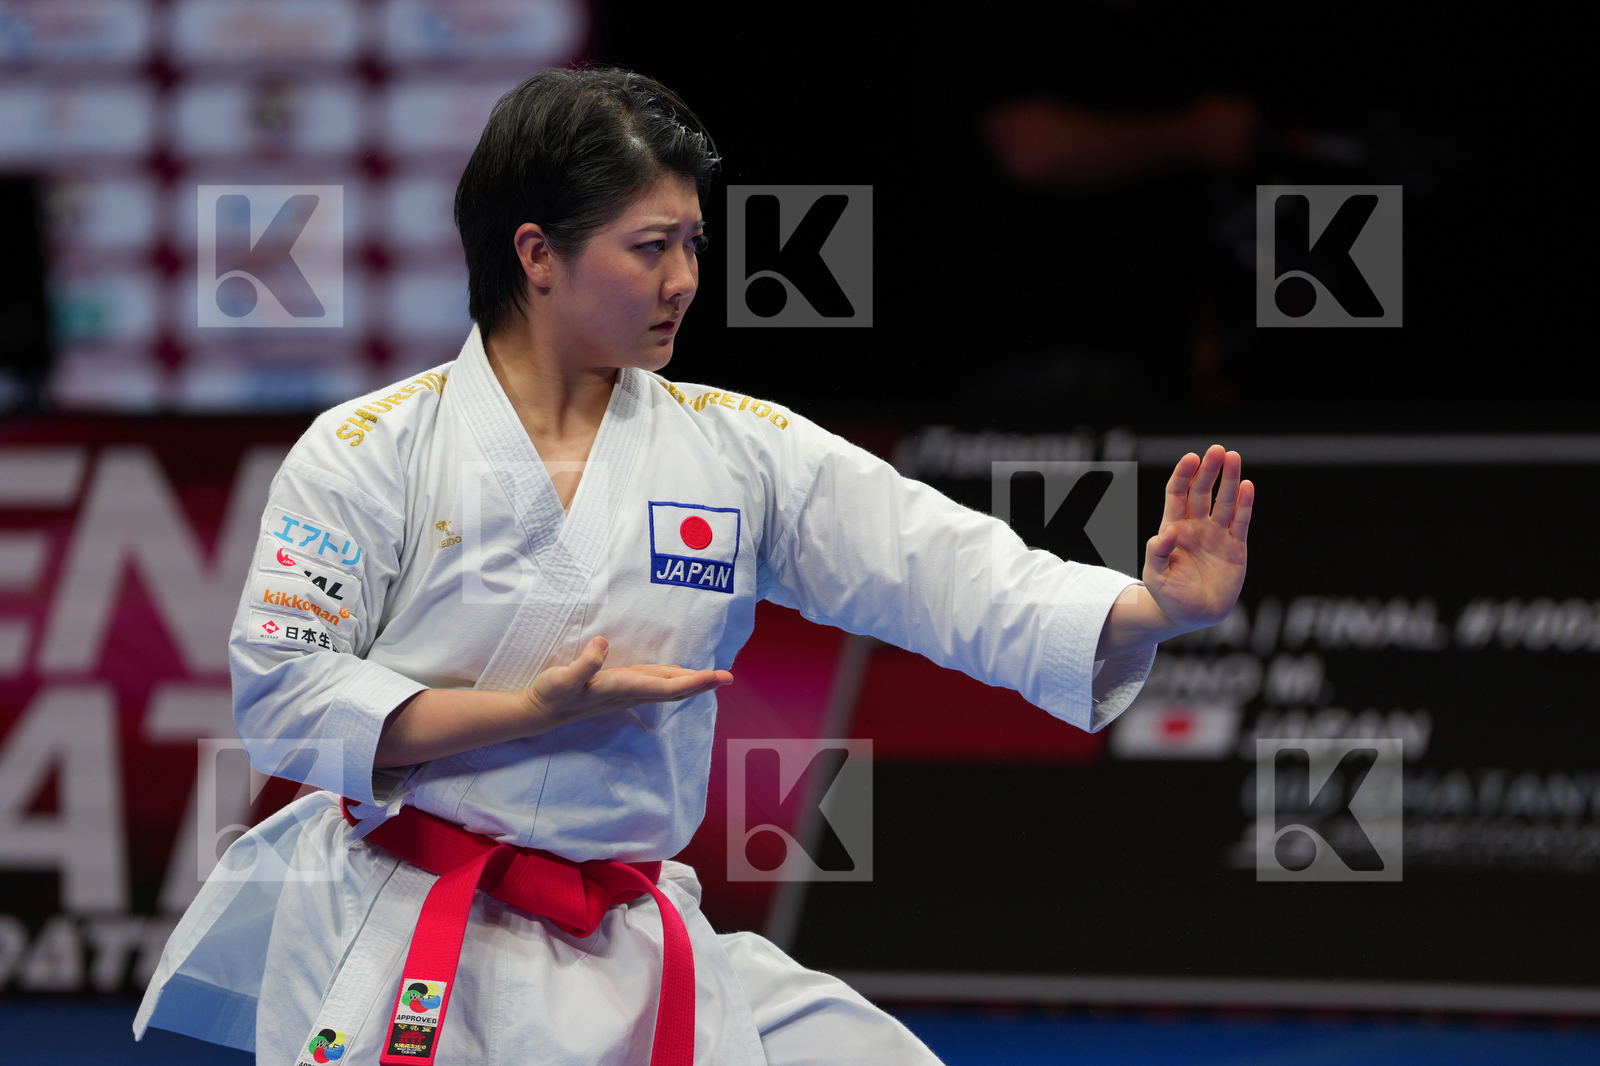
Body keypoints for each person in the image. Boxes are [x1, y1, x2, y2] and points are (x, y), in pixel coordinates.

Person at [135, 66, 1253, 1065]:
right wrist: (522, 712)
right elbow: (285, 698)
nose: (682, 279)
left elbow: (938, 566)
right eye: (649, 246)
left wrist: (1145, 607)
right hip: (409, 930)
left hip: (626, 934)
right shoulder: (367, 448)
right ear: (537, 253)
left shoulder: (735, 450)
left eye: (693, 245)